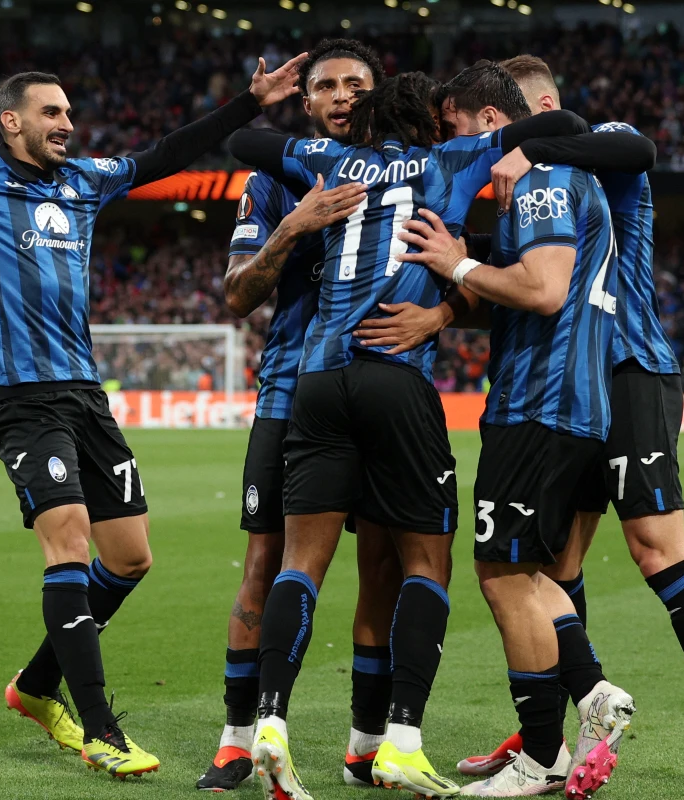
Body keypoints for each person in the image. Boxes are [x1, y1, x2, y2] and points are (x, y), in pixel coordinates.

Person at [0, 11, 304, 779]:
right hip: (21, 397)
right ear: (11, 121)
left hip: (84, 393)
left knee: (131, 557)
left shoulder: (85, 181)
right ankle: (102, 728)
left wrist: (250, 104)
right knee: (68, 541)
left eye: (70, 113)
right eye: (52, 113)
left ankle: (37, 686)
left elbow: (166, 154)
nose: (68, 124)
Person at [229, 70, 594, 800]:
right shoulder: (447, 160)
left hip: (317, 379)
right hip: (397, 375)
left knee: (300, 562)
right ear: (428, 122)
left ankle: (268, 723)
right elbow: (563, 128)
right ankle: (400, 740)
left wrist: (281, 132)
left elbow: (242, 141)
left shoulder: (326, 161)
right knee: (426, 563)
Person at [454, 55, 684, 800]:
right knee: (554, 567)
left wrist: (536, 146)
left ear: (545, 106)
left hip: (632, 372)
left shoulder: (598, 144)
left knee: (657, 549)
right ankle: (556, 736)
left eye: (516, 121)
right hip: (574, 386)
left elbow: (641, 152)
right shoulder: (534, 188)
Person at [393, 60, 635, 798]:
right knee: (528, 574)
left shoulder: (539, 179)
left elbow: (543, 288)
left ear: (492, 123)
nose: (452, 146)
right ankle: (593, 694)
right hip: (573, 406)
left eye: (456, 129)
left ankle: (541, 754)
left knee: (501, 576)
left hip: (540, 406)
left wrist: (455, 261)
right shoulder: (564, 182)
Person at [200, 39, 408, 793]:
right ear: (307, 102)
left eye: (358, 83)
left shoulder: (408, 170)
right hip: (290, 394)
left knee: (380, 568)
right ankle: (235, 738)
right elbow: (235, 296)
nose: (343, 95)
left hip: (382, 392)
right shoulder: (270, 183)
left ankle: (365, 745)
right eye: (327, 86)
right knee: (265, 565)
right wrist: (297, 226)